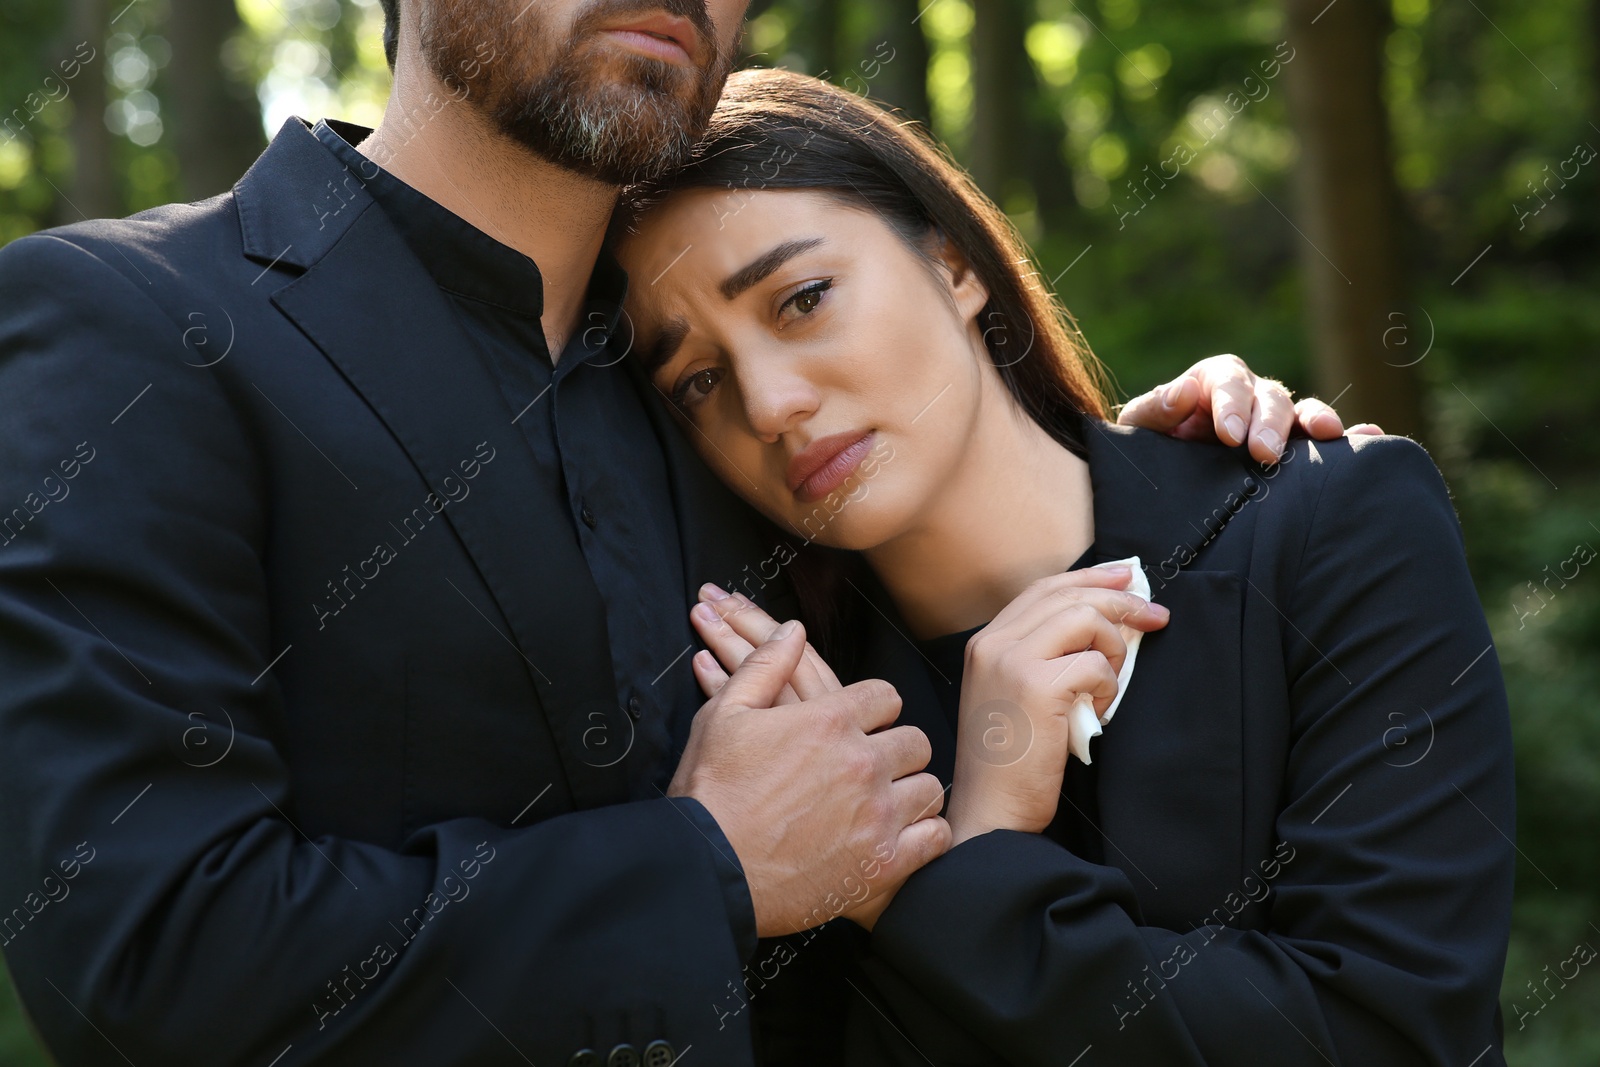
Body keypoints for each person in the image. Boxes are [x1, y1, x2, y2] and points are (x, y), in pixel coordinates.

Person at [0, 3, 1366, 1065]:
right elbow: (142, 959)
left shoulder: (751, 412)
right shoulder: (129, 325)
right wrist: (707, 862)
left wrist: (1177, 478)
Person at [614, 67, 1515, 1063]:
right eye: (698, 377)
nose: (769, 401)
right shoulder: (800, 744)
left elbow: (1393, 1036)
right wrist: (978, 822)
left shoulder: (1329, 524)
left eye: (802, 298)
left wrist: (938, 887)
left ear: (955, 262)